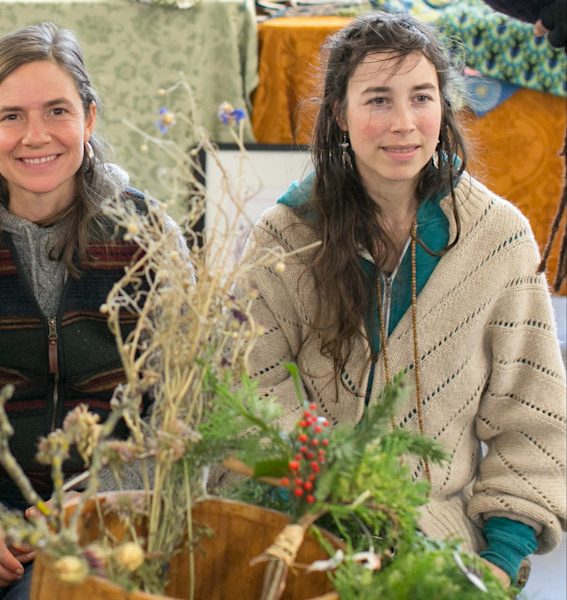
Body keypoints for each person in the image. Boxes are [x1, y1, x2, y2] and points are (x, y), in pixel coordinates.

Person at [242, 11, 566, 590]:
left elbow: (533, 419)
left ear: (445, 105)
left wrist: (501, 556)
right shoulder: (286, 233)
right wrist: (326, 484)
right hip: (300, 521)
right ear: (339, 113)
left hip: (439, 541)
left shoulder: (499, 238)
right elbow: (251, 384)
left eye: (421, 97)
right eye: (378, 100)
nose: (404, 123)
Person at [0, 22, 172, 599]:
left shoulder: (149, 237)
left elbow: (182, 410)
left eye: (57, 111)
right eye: (11, 116)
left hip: (112, 506)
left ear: (89, 118)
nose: (35, 136)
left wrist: (97, 503)